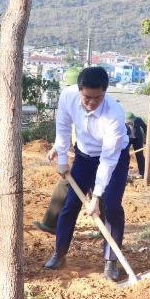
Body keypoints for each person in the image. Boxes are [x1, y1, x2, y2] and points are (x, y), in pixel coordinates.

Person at [44, 66, 130, 281]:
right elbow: (63, 128)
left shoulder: (114, 115)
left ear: (105, 93)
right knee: (71, 203)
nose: (92, 102)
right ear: (79, 90)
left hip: (114, 159)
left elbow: (108, 160)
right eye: (87, 97)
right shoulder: (68, 96)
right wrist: (63, 159)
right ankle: (60, 252)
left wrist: (97, 197)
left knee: (111, 206)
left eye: (98, 97)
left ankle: (111, 261)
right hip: (83, 156)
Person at [33, 67, 80, 235]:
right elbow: (64, 128)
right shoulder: (71, 101)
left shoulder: (90, 103)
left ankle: (106, 229)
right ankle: (51, 223)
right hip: (81, 151)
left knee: (100, 193)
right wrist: (57, 148)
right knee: (65, 183)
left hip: (97, 154)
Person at [125, 112, 147, 176]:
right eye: (127, 122)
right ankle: (125, 173)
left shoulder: (138, 120)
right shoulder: (124, 123)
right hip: (128, 139)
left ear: (133, 120)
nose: (127, 123)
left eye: (129, 122)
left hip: (137, 139)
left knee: (140, 155)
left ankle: (142, 173)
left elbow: (145, 128)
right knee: (125, 155)